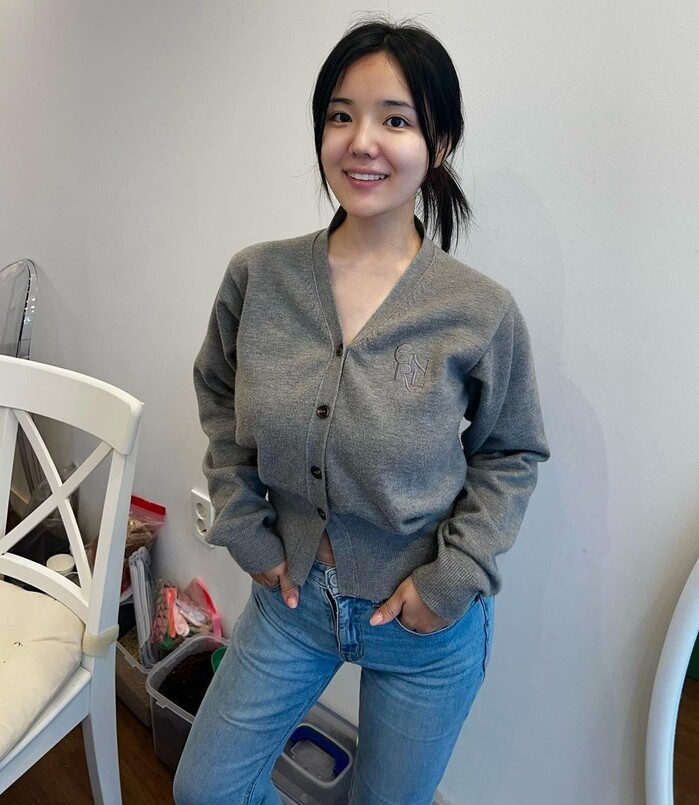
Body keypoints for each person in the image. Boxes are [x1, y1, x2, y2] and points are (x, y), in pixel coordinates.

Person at [174, 17, 549, 805]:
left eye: (395, 120)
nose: (361, 141)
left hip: (424, 624)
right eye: (340, 115)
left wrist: (450, 580)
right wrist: (244, 525)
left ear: (438, 144)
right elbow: (217, 393)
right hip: (292, 599)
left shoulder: (476, 310)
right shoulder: (259, 278)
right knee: (206, 789)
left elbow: (511, 452)